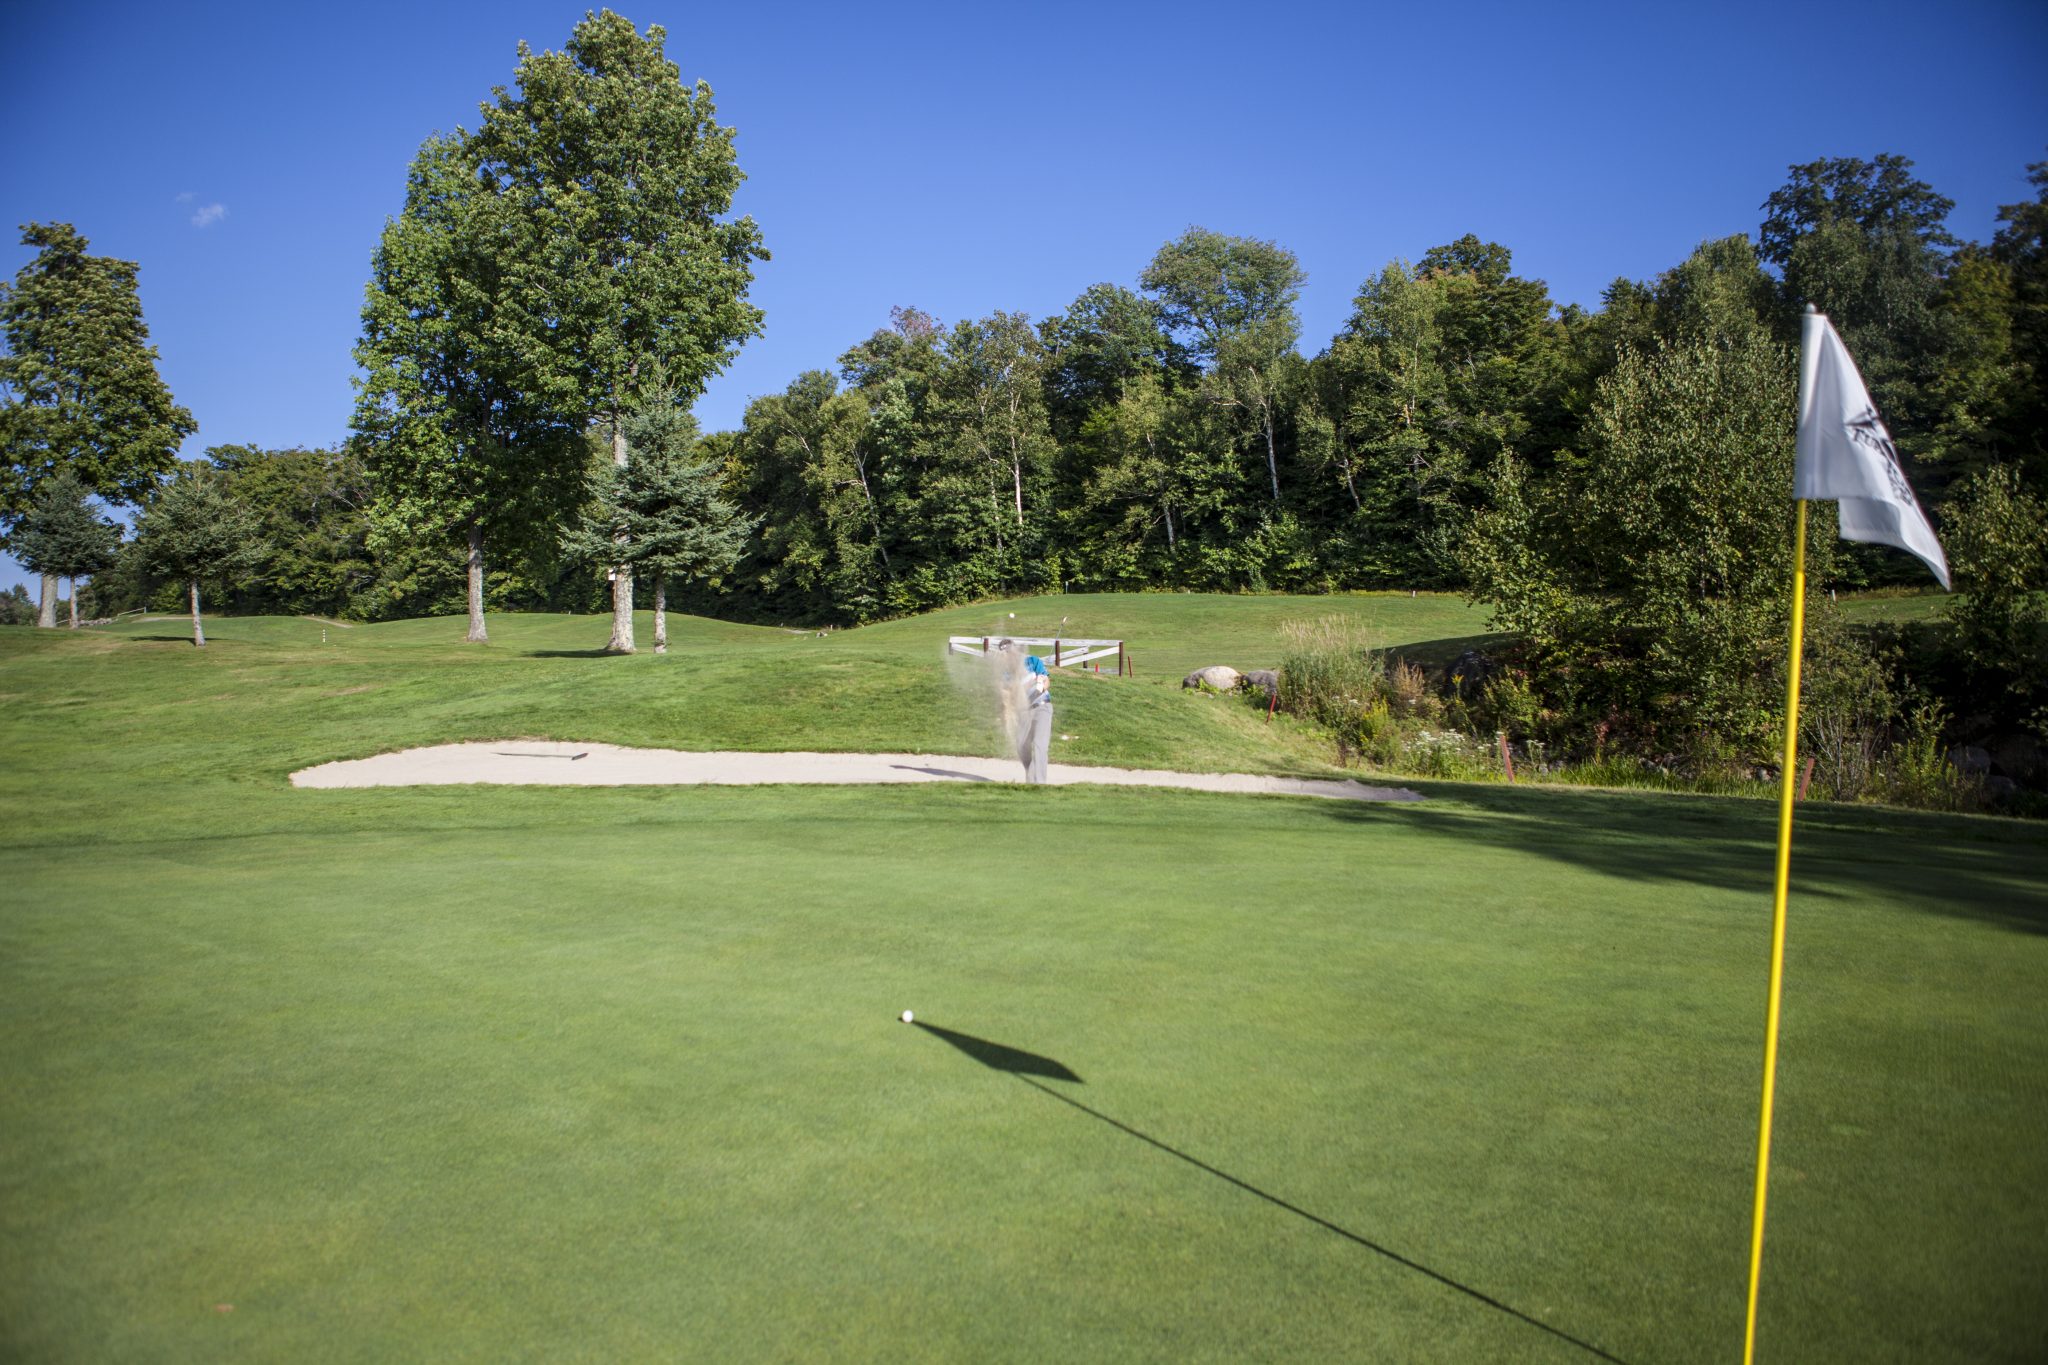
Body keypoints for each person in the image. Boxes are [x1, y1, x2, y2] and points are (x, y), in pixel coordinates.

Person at [1019, 650, 1052, 783]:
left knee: (1040, 744)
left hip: (1042, 706)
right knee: (1021, 746)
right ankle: (1031, 776)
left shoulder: (1033, 661)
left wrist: (1041, 685)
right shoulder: (1007, 672)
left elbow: (1046, 679)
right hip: (1023, 711)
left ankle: (1039, 785)